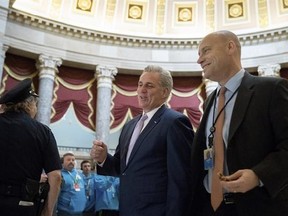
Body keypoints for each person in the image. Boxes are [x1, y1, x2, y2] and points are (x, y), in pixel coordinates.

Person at [191, 30, 288, 216]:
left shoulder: (271, 89)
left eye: (206, 51)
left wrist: (258, 175)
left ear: (230, 47)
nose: (199, 60)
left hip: (257, 206)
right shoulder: (211, 99)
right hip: (210, 208)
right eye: (199, 54)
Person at [90, 65, 194, 216]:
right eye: (140, 84)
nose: (141, 90)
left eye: (149, 86)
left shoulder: (175, 122)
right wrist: (104, 158)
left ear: (165, 92)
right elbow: (122, 170)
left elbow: (181, 181)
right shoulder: (129, 126)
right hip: (127, 210)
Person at [0, 78, 62, 216]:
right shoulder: (42, 132)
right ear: (30, 105)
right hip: (23, 207)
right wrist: (47, 211)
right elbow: (56, 176)